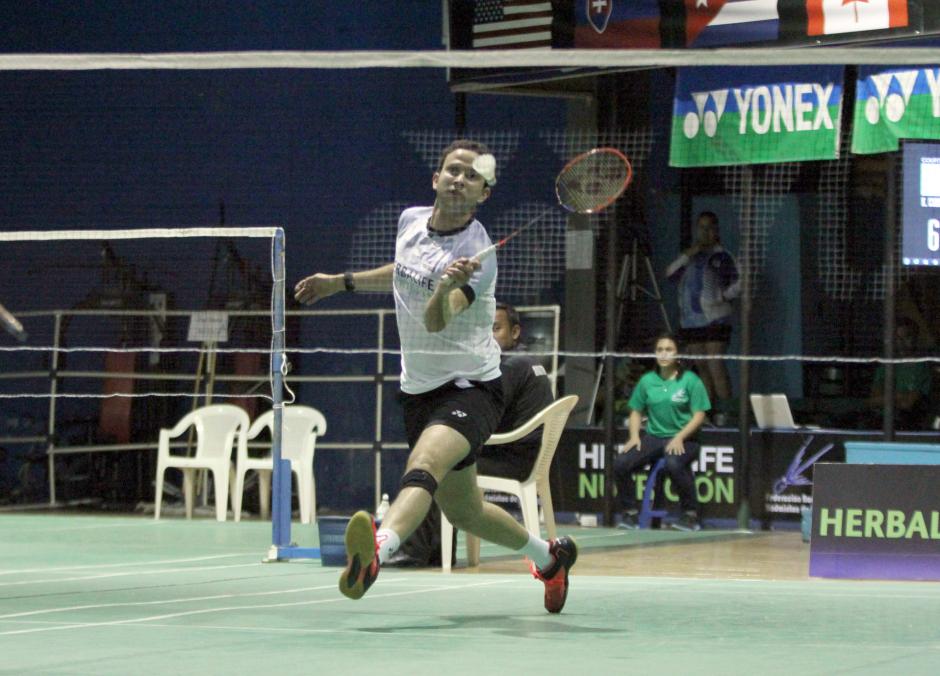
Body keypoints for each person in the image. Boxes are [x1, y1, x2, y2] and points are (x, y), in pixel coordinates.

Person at [294, 139, 577, 613]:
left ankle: (376, 555)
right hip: (419, 389)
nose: (459, 179)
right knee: (463, 510)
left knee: (422, 464)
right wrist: (339, 282)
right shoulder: (409, 221)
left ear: (483, 193)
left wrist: (448, 285)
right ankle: (550, 559)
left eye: (471, 176)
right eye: (453, 170)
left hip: (472, 387)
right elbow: (403, 273)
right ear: (436, 178)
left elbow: (436, 319)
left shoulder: (480, 255)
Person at [387, 301, 555, 567]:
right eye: (485, 329)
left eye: (496, 328)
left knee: (433, 467)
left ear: (515, 332)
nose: (489, 336)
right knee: (445, 475)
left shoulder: (509, 366)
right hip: (525, 457)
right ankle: (432, 551)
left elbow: (484, 413)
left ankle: (415, 552)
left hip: (510, 458)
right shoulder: (528, 361)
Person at [613, 333, 710, 531]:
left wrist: (679, 437)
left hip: (686, 439)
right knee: (621, 463)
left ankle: (690, 515)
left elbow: (699, 416)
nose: (664, 354)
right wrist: (633, 436)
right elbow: (636, 411)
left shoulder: (691, 380)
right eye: (659, 350)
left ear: (677, 354)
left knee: (674, 464)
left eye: (669, 350)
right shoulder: (647, 381)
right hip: (654, 437)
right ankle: (630, 513)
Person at [665, 211, 740, 422]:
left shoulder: (722, 256)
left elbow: (739, 283)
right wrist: (688, 254)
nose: (705, 232)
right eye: (701, 227)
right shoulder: (690, 258)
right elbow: (670, 274)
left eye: (709, 228)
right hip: (691, 321)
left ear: (716, 231)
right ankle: (708, 413)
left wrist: (722, 296)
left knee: (715, 364)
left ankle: (727, 413)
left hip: (715, 319)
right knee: (702, 367)